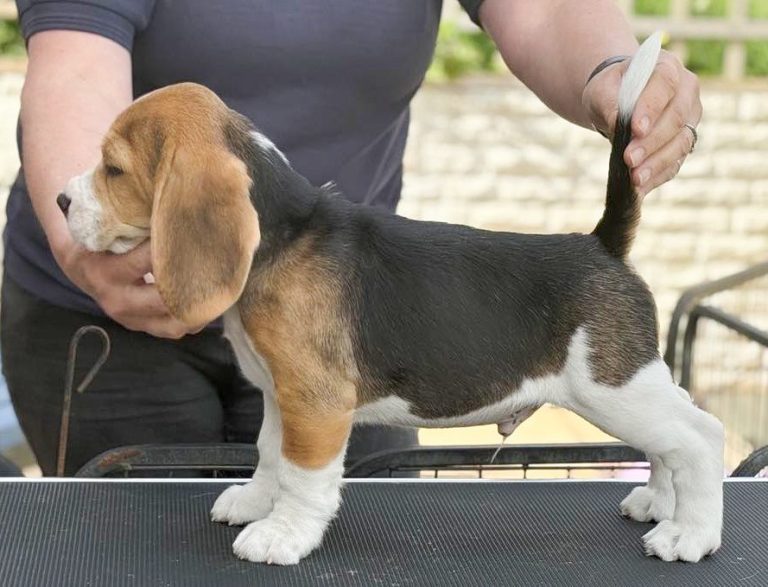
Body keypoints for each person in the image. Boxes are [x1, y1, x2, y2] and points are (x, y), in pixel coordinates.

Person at [2, 0, 701, 476]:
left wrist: (612, 72)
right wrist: (82, 242)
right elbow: (75, 59)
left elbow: (543, 9)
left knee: (365, 548)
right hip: (112, 316)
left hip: (353, 296)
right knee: (150, 549)